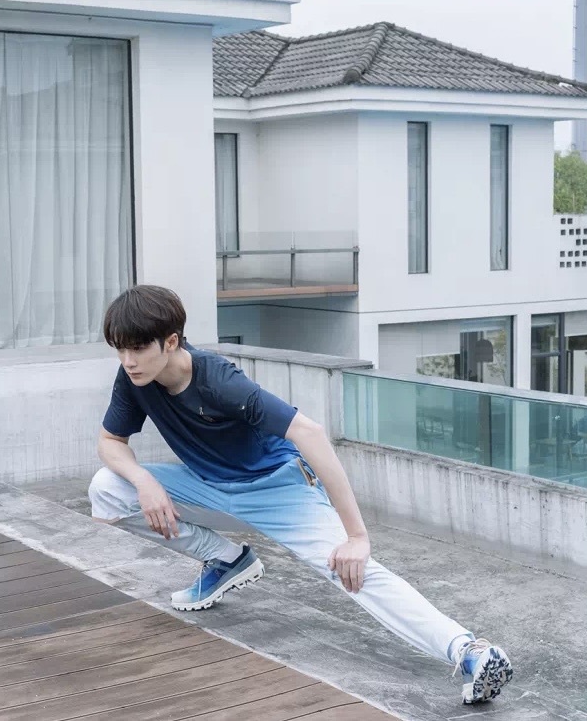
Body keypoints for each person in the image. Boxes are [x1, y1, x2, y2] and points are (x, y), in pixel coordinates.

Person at [89, 285, 513, 706]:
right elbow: (110, 442)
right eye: (120, 349)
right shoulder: (134, 378)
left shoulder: (218, 380)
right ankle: (225, 558)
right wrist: (143, 480)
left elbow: (310, 433)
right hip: (208, 486)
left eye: (138, 348)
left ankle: (468, 651)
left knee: (351, 569)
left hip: (279, 488)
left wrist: (357, 536)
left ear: (170, 342)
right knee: (108, 488)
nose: (128, 360)